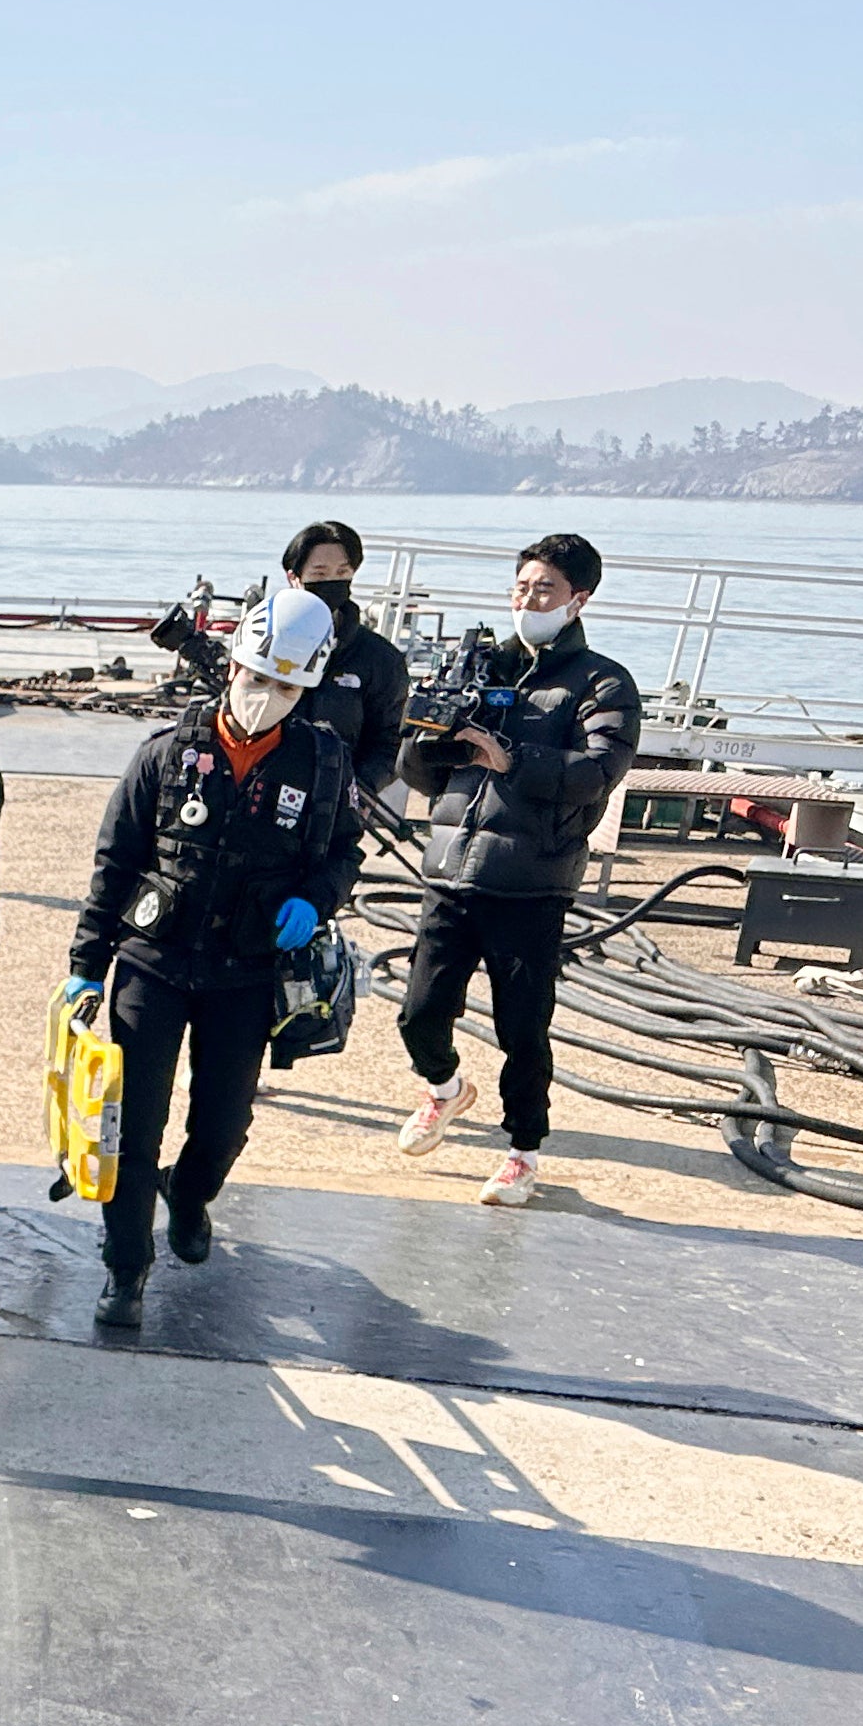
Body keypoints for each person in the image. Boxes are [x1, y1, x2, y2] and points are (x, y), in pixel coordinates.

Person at [66, 587, 367, 1329]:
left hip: (246, 970)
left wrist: (316, 899)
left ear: (308, 688)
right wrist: (85, 965)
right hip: (153, 960)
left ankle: (192, 1194)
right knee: (133, 1123)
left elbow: (341, 852)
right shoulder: (167, 752)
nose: (267, 695)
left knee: (224, 1120)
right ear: (231, 667)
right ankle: (124, 1270)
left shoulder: (323, 764)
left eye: (287, 686)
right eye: (257, 677)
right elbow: (115, 860)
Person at [391, 533, 642, 1208]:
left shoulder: (602, 681)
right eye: (521, 586)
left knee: (521, 1029)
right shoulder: (478, 668)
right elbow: (413, 769)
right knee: (417, 1015)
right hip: (450, 870)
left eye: (544, 590)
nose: (527, 600)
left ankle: (521, 1153)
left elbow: (597, 773)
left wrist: (509, 757)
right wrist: (429, 738)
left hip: (530, 882)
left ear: (577, 599)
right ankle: (444, 1091)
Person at [278, 519, 410, 806]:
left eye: (342, 572)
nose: (331, 581)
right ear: (294, 578)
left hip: (336, 804)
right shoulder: (266, 644)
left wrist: (358, 791)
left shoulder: (380, 659)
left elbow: (390, 741)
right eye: (319, 573)